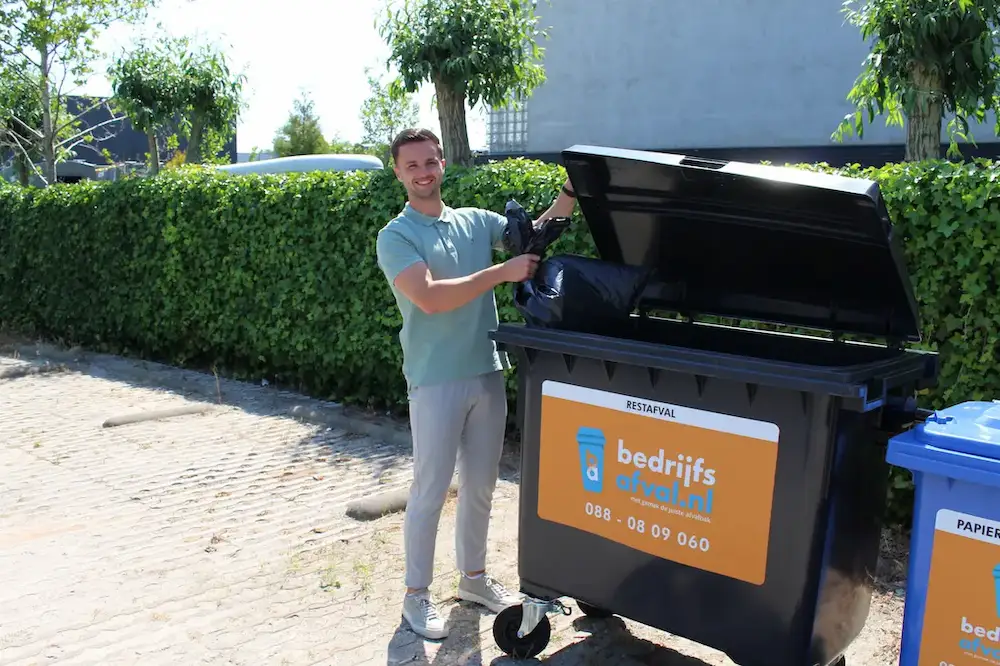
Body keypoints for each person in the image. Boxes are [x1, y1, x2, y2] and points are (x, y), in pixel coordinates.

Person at [375, 128, 578, 640]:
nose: (423, 172)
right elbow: (431, 298)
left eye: (430, 162)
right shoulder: (396, 236)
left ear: (443, 164)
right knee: (430, 491)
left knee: (482, 488)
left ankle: (474, 580)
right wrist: (501, 272)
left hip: (486, 371)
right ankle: (415, 598)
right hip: (435, 379)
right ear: (398, 172)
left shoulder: (472, 222)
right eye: (412, 165)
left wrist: (569, 196)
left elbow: (531, 235)